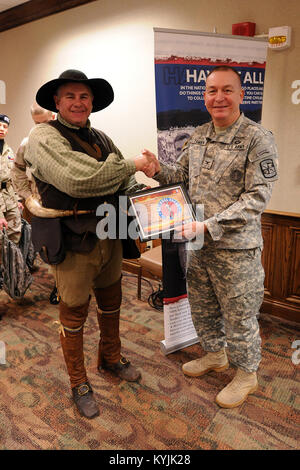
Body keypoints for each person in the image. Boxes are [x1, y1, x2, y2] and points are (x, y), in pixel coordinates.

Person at [142, 66, 279, 408]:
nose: (218, 97)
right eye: (211, 90)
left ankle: (247, 374)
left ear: (241, 94)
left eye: (227, 90)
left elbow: (257, 197)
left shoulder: (258, 138)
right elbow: (182, 177)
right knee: (203, 308)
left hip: (236, 249)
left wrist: (208, 224)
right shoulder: (199, 135)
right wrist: (157, 169)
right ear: (204, 96)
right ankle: (215, 355)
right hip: (199, 245)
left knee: (239, 314)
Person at [24, 69, 156, 419]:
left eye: (84, 97)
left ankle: (110, 357)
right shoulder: (42, 136)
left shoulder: (101, 137)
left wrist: (158, 203)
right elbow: (79, 179)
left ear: (92, 102)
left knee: (112, 298)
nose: (78, 102)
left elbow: (124, 182)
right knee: (74, 310)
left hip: (111, 230)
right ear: (57, 101)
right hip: (71, 236)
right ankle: (78, 382)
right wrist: (131, 164)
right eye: (70, 96)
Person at [11, 103, 59, 303]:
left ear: (54, 117)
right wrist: (27, 197)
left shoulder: (67, 139)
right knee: (52, 245)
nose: (41, 127)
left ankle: (66, 285)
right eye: (36, 123)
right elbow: (17, 169)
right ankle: (59, 286)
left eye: (45, 122)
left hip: (67, 201)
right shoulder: (27, 141)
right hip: (41, 202)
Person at [0, 114, 22, 246]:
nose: (2, 128)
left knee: (15, 232)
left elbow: (13, 177)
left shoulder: (9, 151)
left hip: (9, 197)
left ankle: (13, 265)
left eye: (5, 126)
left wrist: (17, 199)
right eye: (0, 125)